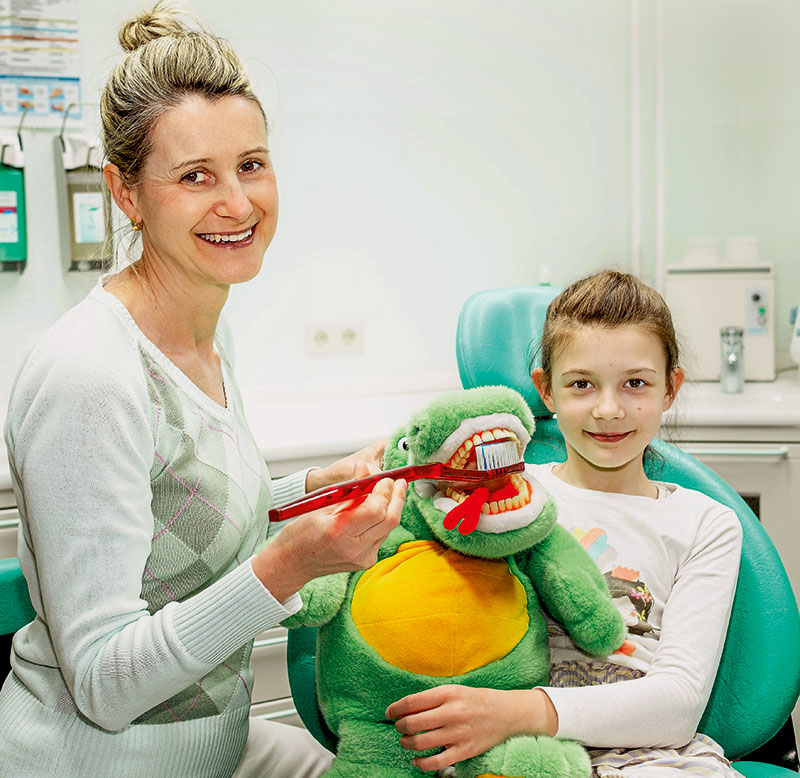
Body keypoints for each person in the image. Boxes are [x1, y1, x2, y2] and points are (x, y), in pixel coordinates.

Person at [0, 3, 406, 777]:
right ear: (126, 194)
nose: (238, 203)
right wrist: (291, 564)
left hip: (209, 751)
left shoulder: (205, 334)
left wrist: (311, 492)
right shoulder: (89, 372)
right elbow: (104, 684)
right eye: (195, 176)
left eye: (251, 165)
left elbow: (176, 509)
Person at [386, 270, 743, 777]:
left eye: (636, 384)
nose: (608, 409)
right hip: (507, 746)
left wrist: (521, 711)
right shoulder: (503, 493)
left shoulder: (706, 523)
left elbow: (678, 704)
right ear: (545, 390)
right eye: (581, 384)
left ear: (671, 389)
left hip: (646, 750)